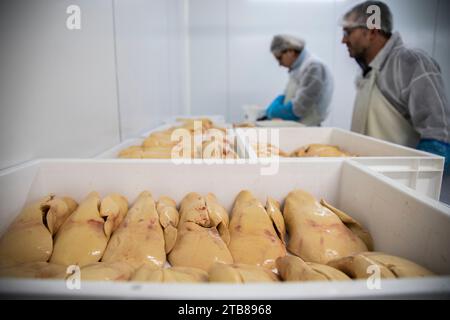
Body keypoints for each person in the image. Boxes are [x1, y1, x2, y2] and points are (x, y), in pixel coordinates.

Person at [341, 1, 450, 172]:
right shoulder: (367, 71)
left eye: (348, 32)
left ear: (372, 31)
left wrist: (418, 178)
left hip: (400, 185)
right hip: (368, 177)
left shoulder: (412, 63)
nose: (343, 40)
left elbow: (439, 133)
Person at [263, 35, 333, 126]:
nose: (280, 64)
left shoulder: (314, 66)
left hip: (309, 128)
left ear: (290, 51)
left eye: (279, 58)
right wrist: (280, 100)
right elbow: (287, 94)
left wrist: (277, 111)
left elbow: (298, 109)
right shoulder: (297, 69)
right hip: (299, 126)